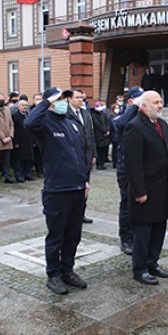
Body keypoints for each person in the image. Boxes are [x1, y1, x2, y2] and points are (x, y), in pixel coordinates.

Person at [24, 87, 90, 295]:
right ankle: (53, 275)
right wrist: (45, 103)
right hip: (57, 191)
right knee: (56, 235)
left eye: (64, 98)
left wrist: (85, 181)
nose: (63, 101)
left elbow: (80, 154)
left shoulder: (72, 123)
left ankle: (67, 270)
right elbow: (28, 123)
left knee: (73, 235)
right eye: (58, 99)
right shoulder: (44, 123)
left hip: (77, 188)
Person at [123, 91, 168, 285]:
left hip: (162, 187)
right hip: (145, 189)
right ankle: (140, 269)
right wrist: (139, 191)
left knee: (159, 227)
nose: (160, 105)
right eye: (156, 102)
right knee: (143, 231)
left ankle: (152, 262)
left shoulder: (162, 124)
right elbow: (133, 163)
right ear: (144, 106)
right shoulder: (135, 127)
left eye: (161, 102)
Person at [112, 86, 144, 255]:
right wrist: (134, 106)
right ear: (131, 101)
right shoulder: (121, 117)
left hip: (142, 168)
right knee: (127, 204)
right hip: (125, 169)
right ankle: (126, 238)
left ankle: (138, 235)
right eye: (140, 98)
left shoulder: (143, 116)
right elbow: (122, 124)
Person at [67, 89, 96, 223]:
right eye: (77, 97)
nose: (80, 100)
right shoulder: (66, 114)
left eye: (82, 98)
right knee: (73, 187)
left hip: (87, 156)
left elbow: (90, 135)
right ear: (69, 99)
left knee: (85, 188)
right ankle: (71, 215)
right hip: (73, 157)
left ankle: (81, 213)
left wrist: (93, 154)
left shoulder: (85, 114)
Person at [11, 99, 35, 182]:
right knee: (19, 159)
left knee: (29, 158)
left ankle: (28, 174)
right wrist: (16, 142)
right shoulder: (15, 116)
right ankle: (19, 175)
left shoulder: (28, 115)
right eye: (23, 105)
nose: (25, 107)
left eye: (26, 105)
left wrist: (33, 141)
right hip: (19, 140)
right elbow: (14, 130)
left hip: (29, 140)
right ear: (19, 106)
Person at [91, 101, 111, 170]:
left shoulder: (104, 114)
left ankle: (102, 164)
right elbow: (97, 125)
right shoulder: (94, 115)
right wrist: (104, 131)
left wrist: (108, 130)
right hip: (99, 135)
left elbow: (108, 123)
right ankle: (98, 164)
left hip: (105, 136)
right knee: (99, 151)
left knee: (104, 150)